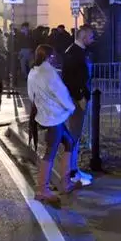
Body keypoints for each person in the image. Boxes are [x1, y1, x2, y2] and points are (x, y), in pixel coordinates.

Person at [27, 44, 77, 203]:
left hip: (45, 115)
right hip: (54, 117)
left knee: (69, 142)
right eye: (53, 56)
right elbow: (60, 93)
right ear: (49, 57)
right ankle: (43, 189)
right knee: (51, 151)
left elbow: (31, 95)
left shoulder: (33, 72)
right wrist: (71, 107)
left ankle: (65, 182)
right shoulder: (49, 73)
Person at [61, 26, 95, 188]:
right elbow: (71, 78)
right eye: (91, 36)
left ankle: (73, 168)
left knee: (76, 134)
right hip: (76, 99)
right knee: (74, 135)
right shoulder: (74, 53)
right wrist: (80, 96)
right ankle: (71, 171)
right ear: (84, 37)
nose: (93, 39)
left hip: (78, 97)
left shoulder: (76, 52)